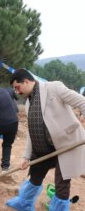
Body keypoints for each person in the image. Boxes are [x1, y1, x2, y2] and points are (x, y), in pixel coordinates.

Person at [6, 69, 85, 211]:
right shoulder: (28, 104)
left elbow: (82, 102)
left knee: (61, 183)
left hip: (67, 144)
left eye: (17, 87)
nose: (17, 92)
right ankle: (24, 203)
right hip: (44, 148)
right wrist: (26, 156)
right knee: (35, 175)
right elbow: (32, 133)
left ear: (27, 81)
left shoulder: (53, 88)